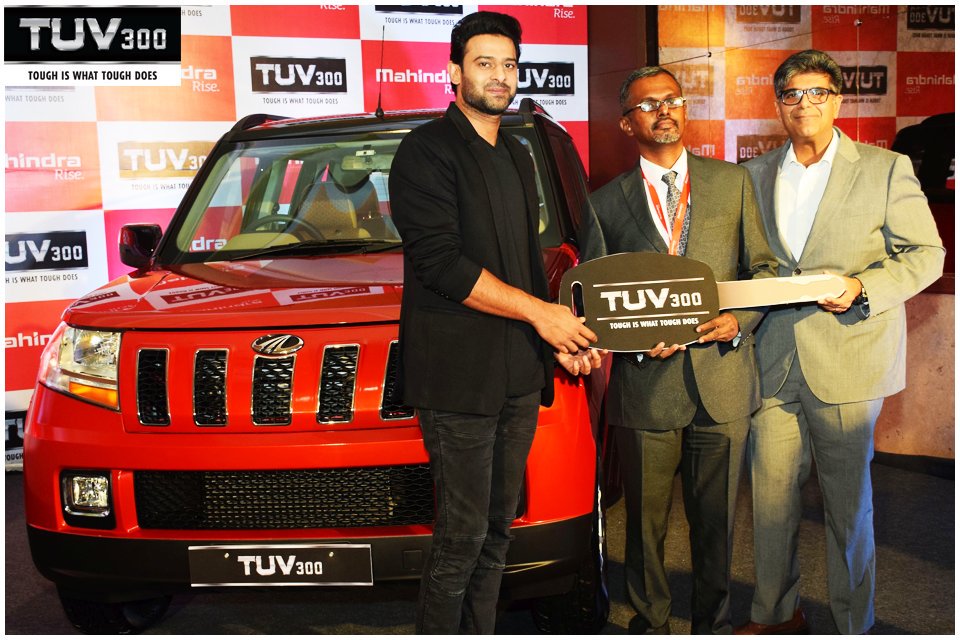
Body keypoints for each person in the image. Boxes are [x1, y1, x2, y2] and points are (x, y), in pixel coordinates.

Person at [388, 11, 598, 634]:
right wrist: (541, 315)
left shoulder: (516, 152)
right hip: (457, 380)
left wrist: (555, 340)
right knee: (461, 535)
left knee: (498, 530)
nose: (500, 76)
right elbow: (441, 265)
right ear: (454, 73)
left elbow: (525, 268)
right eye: (484, 63)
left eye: (509, 64)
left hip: (515, 374)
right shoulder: (425, 150)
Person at [736, 50, 945, 635]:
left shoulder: (885, 168)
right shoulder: (752, 175)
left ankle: (854, 623)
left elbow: (927, 254)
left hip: (850, 359)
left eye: (818, 92)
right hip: (771, 360)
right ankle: (776, 616)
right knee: (769, 504)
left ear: (838, 100)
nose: (804, 103)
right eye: (792, 94)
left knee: (847, 507)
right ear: (778, 104)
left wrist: (862, 287)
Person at [578, 66, 778, 634]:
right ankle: (650, 623)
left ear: (685, 109)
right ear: (626, 123)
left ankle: (714, 625)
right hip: (646, 385)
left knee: (717, 523)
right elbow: (597, 300)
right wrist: (633, 335)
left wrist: (736, 321)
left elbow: (762, 270)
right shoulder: (604, 203)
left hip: (722, 379)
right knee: (644, 528)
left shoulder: (732, 183)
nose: (664, 110)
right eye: (648, 104)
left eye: (673, 99)